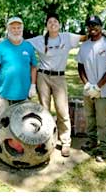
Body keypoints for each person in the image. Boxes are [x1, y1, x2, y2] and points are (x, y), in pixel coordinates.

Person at [26, 13, 84, 157]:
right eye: (49, 22)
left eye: (55, 21)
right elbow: (20, 41)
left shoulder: (67, 37)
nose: (53, 23)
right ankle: (46, 139)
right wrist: (2, 41)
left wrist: (102, 34)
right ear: (46, 25)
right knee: (44, 110)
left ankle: (65, 142)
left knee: (62, 110)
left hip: (59, 78)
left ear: (59, 24)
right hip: (43, 77)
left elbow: (85, 37)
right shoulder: (39, 40)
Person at [76, 16, 106, 162]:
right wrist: (88, 85)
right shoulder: (84, 46)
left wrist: (98, 86)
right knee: (90, 118)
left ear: (101, 26)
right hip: (88, 90)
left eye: (95, 25)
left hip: (103, 90)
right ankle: (92, 142)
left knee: (102, 121)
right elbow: (80, 66)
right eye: (89, 25)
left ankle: (102, 149)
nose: (92, 27)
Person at [0, 17, 38, 122]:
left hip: (24, 93)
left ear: (22, 29)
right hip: (4, 93)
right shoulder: (0, 47)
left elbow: (33, 67)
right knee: (1, 122)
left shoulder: (28, 47)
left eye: (18, 28)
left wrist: (33, 85)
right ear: (8, 30)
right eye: (13, 28)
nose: (16, 31)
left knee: (22, 122)